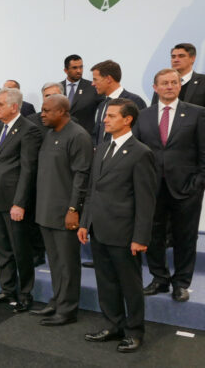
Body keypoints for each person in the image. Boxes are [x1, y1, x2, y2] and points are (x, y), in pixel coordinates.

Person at [78, 98, 157, 353]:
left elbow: (146, 201)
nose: (105, 120)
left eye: (111, 116)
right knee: (106, 282)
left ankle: (134, 332)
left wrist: (140, 237)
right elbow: (92, 189)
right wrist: (85, 222)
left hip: (124, 233)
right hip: (99, 229)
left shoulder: (141, 153)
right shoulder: (102, 148)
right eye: (106, 115)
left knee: (130, 286)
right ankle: (113, 325)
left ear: (127, 119)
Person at [134, 68, 205, 303]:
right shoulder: (143, 115)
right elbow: (137, 152)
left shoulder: (197, 113)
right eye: (164, 83)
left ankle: (181, 283)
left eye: (174, 82)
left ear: (179, 86)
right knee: (153, 234)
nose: (170, 86)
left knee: (185, 237)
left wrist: (198, 182)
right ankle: (159, 278)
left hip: (186, 188)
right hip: (152, 187)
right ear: (155, 87)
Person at [31, 94, 93, 325]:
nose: (42, 114)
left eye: (47, 110)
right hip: (46, 210)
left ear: (62, 112)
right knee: (55, 261)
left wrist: (73, 209)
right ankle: (57, 300)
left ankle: (67, 310)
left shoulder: (78, 136)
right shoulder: (50, 133)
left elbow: (81, 176)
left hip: (65, 211)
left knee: (67, 263)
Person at [0, 88, 43, 313]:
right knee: (1, 248)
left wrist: (19, 203)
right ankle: (7, 289)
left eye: (0, 104)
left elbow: (28, 170)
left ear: (14, 107)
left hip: (14, 202)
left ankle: (25, 293)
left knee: (21, 250)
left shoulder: (29, 130)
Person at [90, 60, 147, 146]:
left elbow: (140, 133)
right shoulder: (102, 104)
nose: (93, 84)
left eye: (95, 79)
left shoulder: (134, 101)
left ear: (108, 79)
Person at [60, 54, 104, 134]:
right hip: (62, 135)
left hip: (86, 135)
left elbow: (103, 112)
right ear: (65, 70)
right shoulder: (57, 88)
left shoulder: (93, 87)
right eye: (74, 68)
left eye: (81, 67)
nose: (79, 71)